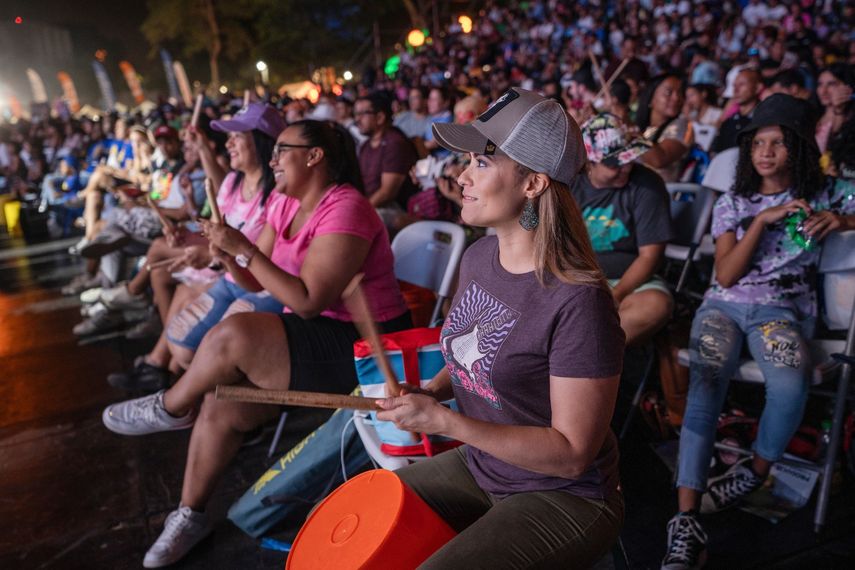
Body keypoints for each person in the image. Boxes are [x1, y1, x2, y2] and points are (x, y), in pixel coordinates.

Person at [101, 119, 411, 568]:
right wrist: (228, 255)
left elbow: (308, 300)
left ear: (314, 156)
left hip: (367, 346)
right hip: (317, 330)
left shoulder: (346, 208)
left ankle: (171, 406)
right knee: (221, 403)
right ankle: (189, 515)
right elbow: (254, 279)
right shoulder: (283, 202)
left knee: (235, 335)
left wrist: (244, 250)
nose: (272, 159)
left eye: (282, 150)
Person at [376, 88, 625, 568]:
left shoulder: (580, 301)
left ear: (533, 184)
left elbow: (572, 453)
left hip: (564, 494)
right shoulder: (478, 256)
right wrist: (431, 392)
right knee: (366, 512)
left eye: (482, 163)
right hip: (485, 464)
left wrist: (445, 423)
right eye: (468, 161)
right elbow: (473, 359)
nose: (462, 177)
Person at [661, 95, 855, 570]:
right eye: (757, 143)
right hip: (723, 307)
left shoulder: (826, 193)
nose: (765, 152)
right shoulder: (734, 202)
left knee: (790, 385)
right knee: (706, 385)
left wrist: (845, 219)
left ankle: (755, 471)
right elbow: (726, 274)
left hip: (780, 313)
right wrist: (763, 221)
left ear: (800, 147)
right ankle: (686, 519)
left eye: (778, 143)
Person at [573, 113, 674, 346]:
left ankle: (586, 353)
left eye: (629, 158)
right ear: (590, 162)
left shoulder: (647, 184)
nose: (626, 168)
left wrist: (617, 294)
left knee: (655, 305)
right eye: (614, 164)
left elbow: (650, 256)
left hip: (631, 282)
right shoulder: (570, 184)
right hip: (575, 277)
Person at [354, 92, 418, 226]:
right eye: (356, 114)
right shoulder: (366, 145)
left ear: (380, 117)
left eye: (362, 114)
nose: (357, 119)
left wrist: (359, 211)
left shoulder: (394, 143)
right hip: (372, 205)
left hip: (395, 209)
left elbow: (387, 193)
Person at [637, 73, 695, 183]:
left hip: (658, 190)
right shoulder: (647, 129)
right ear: (651, 97)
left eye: (680, 93)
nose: (676, 98)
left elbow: (659, 160)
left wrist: (631, 131)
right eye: (669, 93)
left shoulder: (682, 125)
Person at [710, 68, 762, 154]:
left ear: (757, 88)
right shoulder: (729, 122)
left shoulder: (764, 121)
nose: (735, 90)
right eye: (734, 85)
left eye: (742, 84)